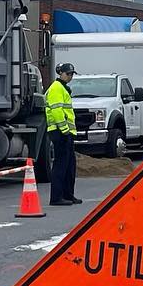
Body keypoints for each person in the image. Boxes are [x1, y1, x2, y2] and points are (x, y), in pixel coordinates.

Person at [44, 62, 81, 206]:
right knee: (60, 165)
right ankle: (56, 197)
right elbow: (57, 111)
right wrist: (65, 130)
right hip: (60, 132)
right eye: (68, 74)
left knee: (69, 165)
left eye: (72, 74)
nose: (70, 76)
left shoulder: (63, 88)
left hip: (66, 132)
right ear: (61, 73)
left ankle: (68, 194)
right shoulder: (56, 88)